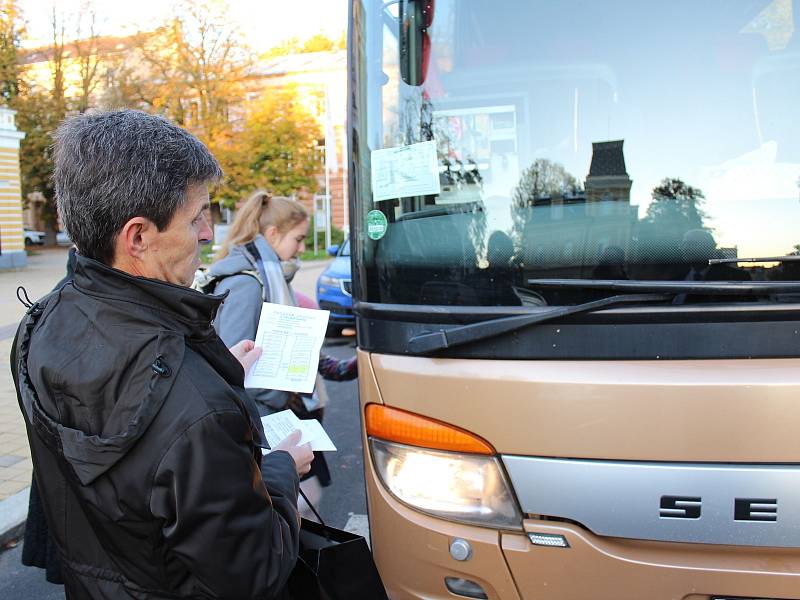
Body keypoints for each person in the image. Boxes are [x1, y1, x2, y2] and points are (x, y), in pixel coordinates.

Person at [11, 109, 313, 599]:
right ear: (138, 237)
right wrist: (279, 468)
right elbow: (253, 572)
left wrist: (210, 373)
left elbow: (121, 448)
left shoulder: (41, 323)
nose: (207, 234)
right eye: (196, 217)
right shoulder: (196, 408)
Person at [208, 190, 357, 515]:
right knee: (297, 505)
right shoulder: (249, 284)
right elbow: (231, 364)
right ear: (272, 234)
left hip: (278, 414)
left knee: (303, 501)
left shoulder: (272, 277)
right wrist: (277, 393)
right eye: (298, 239)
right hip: (266, 419)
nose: (302, 248)